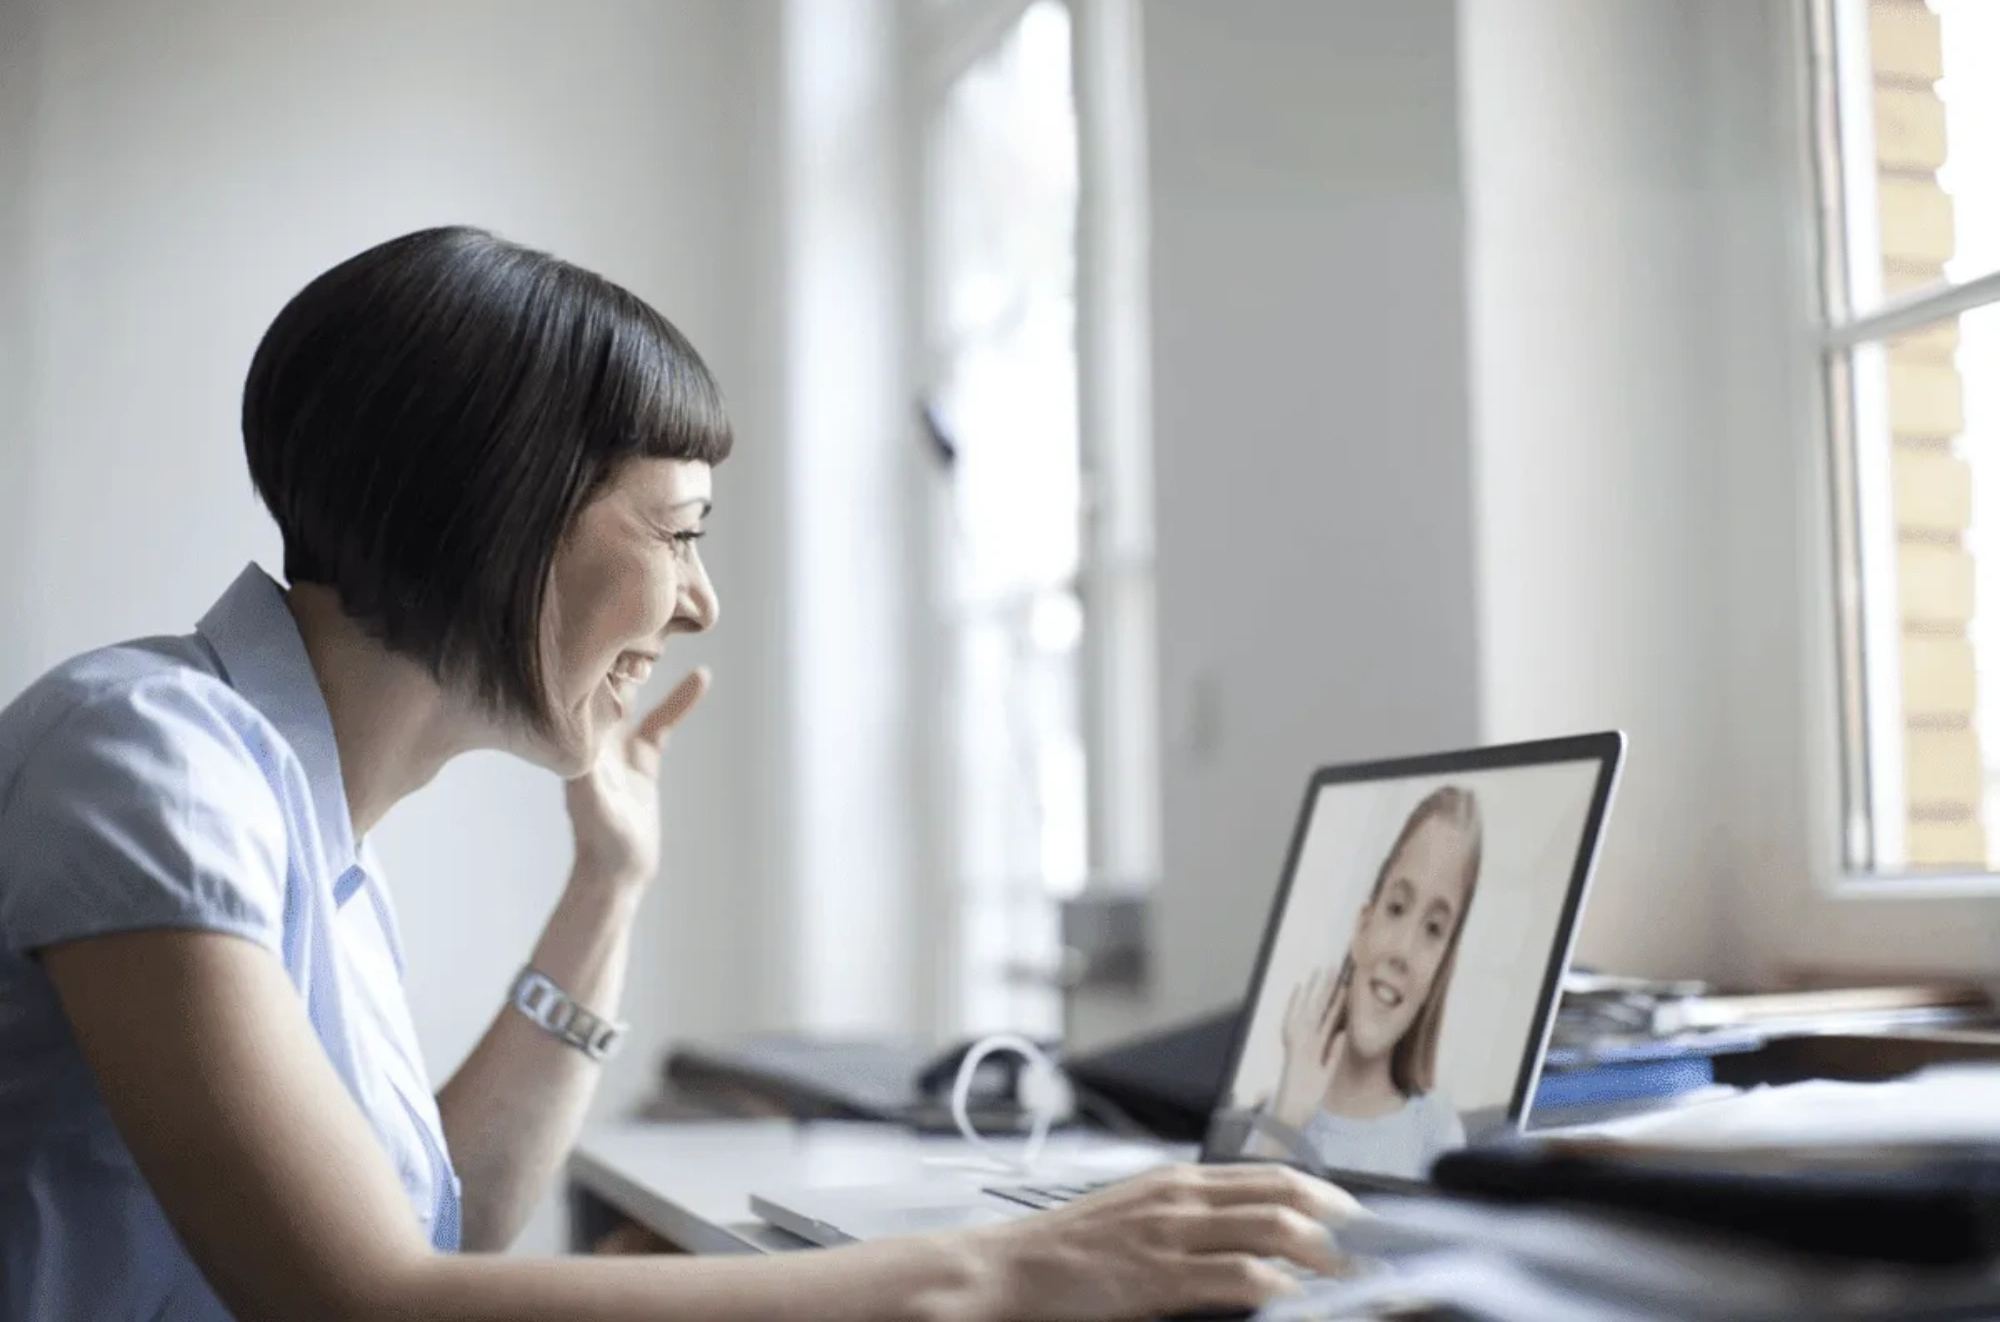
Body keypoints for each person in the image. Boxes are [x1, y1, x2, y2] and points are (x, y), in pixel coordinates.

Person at [0, 227, 1357, 1321]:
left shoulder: (294, 819)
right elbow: (361, 1299)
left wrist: (608, 885)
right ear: (502, 514)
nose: (700, 601)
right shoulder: (151, 757)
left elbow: (442, 1221)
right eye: (677, 531)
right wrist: (1009, 1270)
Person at [1251, 786, 1479, 1180]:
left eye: (1433, 929)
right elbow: (1230, 1223)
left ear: (1439, 970)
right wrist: (1286, 1120)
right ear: (1361, 927)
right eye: (1396, 908)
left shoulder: (1437, 1132)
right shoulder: (1277, 1114)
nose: (1402, 951)